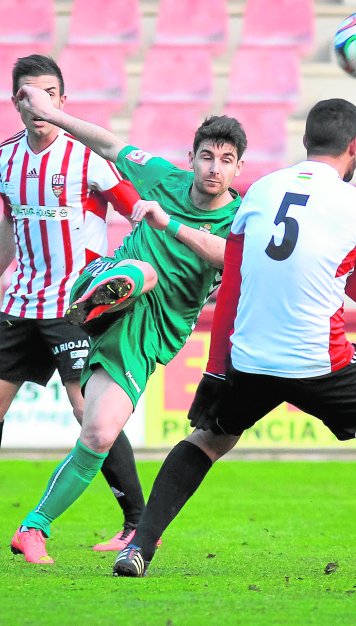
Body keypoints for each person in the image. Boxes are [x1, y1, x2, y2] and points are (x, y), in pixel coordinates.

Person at [111, 98, 356, 580]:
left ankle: (139, 547)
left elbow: (233, 279)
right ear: (354, 147)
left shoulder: (263, 190)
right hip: (320, 362)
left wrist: (214, 371)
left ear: (305, 142)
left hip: (251, 359)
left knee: (207, 439)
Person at [10, 82, 247, 566]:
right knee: (143, 270)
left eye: (225, 160)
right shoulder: (164, 178)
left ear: (239, 167)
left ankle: (33, 528)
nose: (213, 168)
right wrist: (52, 115)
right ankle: (94, 299)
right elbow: (110, 144)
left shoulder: (242, 218)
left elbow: (233, 259)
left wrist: (168, 226)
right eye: (206, 157)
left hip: (151, 335)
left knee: (97, 433)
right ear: (192, 158)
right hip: (115, 287)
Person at [0, 54, 152, 562]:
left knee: (89, 412)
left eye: (48, 93)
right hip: (20, 302)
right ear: (17, 101)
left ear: (62, 102)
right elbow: (7, 233)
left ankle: (135, 523)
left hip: (73, 305)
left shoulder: (87, 158)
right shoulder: (4, 159)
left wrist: (126, 278)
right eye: (27, 93)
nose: (38, 102)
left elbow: (139, 213)